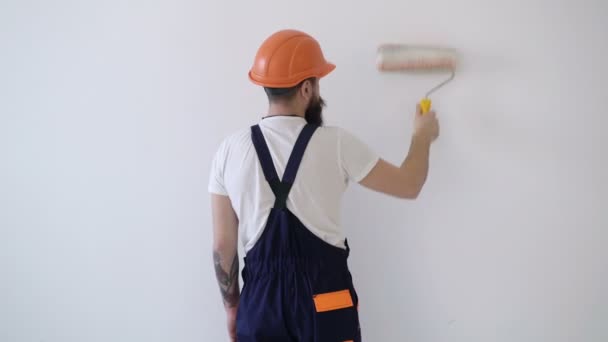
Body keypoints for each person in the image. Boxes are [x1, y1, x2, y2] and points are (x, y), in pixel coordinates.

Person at [209, 29, 439, 342]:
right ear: (306, 88)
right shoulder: (336, 144)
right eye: (317, 83)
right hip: (325, 300)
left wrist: (233, 308)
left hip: (260, 308)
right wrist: (422, 136)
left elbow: (223, 248)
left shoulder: (229, 150)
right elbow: (409, 184)